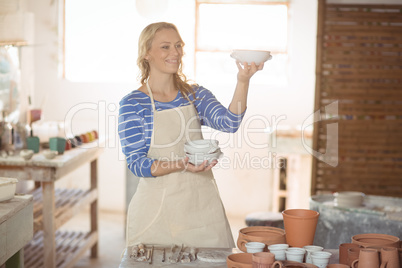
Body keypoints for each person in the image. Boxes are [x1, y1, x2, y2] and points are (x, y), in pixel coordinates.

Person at [118, 22, 264, 248]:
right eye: (165, 47)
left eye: (178, 45)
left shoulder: (194, 95)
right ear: (147, 54)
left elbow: (230, 122)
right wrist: (182, 164)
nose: (175, 52)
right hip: (156, 214)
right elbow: (136, 163)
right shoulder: (133, 104)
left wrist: (243, 80)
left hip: (202, 211)